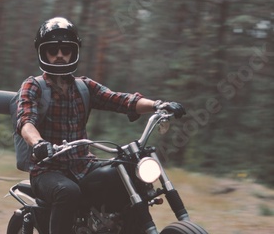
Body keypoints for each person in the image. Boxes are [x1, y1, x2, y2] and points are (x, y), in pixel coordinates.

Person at [15, 17, 186, 234]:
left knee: (129, 172)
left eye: (66, 50)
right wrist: (38, 143)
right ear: (43, 52)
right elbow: (25, 120)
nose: (60, 55)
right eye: (53, 51)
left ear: (73, 52)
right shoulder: (33, 85)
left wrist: (158, 105)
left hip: (84, 165)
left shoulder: (83, 86)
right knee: (68, 192)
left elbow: (121, 100)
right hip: (48, 170)